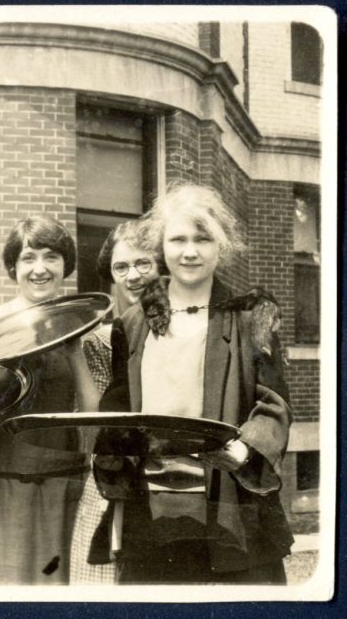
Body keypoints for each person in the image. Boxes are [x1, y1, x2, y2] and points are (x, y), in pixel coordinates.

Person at [97, 184, 294, 584]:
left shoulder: (251, 315)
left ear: (222, 244)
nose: (190, 251)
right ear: (161, 246)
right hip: (151, 509)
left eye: (203, 239)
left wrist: (246, 451)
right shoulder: (133, 323)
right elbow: (117, 406)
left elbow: (273, 404)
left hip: (227, 504)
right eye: (178, 239)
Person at [0, 216, 98, 585]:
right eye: (29, 258)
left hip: (60, 481)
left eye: (51, 257)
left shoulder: (85, 324)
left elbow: (95, 415)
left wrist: (75, 349)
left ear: (66, 264)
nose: (40, 268)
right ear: (12, 267)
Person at [68, 220, 160, 584]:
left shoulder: (180, 328)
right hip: (113, 475)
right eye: (121, 267)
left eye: (143, 263)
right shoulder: (103, 338)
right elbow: (95, 423)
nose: (132, 276)